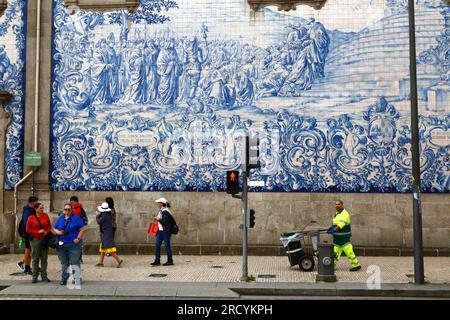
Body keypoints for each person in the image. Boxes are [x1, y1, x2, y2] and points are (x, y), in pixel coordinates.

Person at [53, 203, 85, 286]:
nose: (67, 211)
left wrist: (78, 238)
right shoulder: (60, 218)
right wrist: (59, 232)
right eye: (65, 209)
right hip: (61, 245)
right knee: (64, 262)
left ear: (72, 210)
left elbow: (81, 229)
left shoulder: (76, 218)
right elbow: (54, 228)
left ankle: (76, 278)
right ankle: (64, 278)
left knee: (74, 262)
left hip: (73, 245)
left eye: (69, 209)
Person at [327, 200, 361, 271]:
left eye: (338, 204)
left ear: (342, 205)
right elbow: (335, 224)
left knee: (349, 252)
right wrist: (331, 228)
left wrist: (333, 231)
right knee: (335, 252)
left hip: (344, 238)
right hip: (337, 238)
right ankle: (332, 265)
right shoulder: (337, 214)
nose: (337, 206)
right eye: (336, 204)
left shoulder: (345, 214)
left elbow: (340, 225)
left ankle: (356, 265)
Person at [25, 203, 52, 283]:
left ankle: (44, 276)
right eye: (41, 208)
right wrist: (37, 231)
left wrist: (46, 231)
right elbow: (28, 229)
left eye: (43, 208)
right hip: (35, 240)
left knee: (44, 259)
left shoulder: (45, 215)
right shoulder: (31, 217)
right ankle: (35, 276)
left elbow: (49, 226)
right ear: (36, 209)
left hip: (44, 240)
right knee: (35, 259)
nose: (42, 209)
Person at [95, 202, 123, 268]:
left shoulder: (104, 215)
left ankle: (119, 260)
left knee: (109, 249)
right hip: (106, 233)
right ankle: (100, 262)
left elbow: (99, 221)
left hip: (106, 234)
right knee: (103, 249)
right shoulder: (107, 214)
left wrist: (97, 215)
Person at [17, 196, 38, 275]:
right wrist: (27, 233)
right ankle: (27, 267)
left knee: (30, 250)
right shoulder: (28, 211)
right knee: (28, 250)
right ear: (32, 202)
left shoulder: (29, 210)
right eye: (36, 202)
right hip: (27, 233)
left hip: (27, 233)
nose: (37, 203)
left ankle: (23, 263)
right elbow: (26, 223)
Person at [151, 197, 174, 266]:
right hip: (160, 231)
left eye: (159, 202)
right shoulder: (161, 210)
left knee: (167, 246)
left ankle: (170, 261)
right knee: (157, 245)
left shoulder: (166, 211)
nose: (157, 203)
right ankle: (157, 260)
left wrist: (158, 219)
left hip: (166, 231)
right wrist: (156, 218)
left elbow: (165, 222)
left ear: (162, 203)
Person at [70, 196, 88, 263]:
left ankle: (78, 258)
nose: (71, 204)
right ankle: (78, 258)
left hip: (76, 229)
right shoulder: (77, 208)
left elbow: (74, 218)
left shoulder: (77, 209)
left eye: (72, 202)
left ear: (75, 202)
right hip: (78, 228)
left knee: (77, 243)